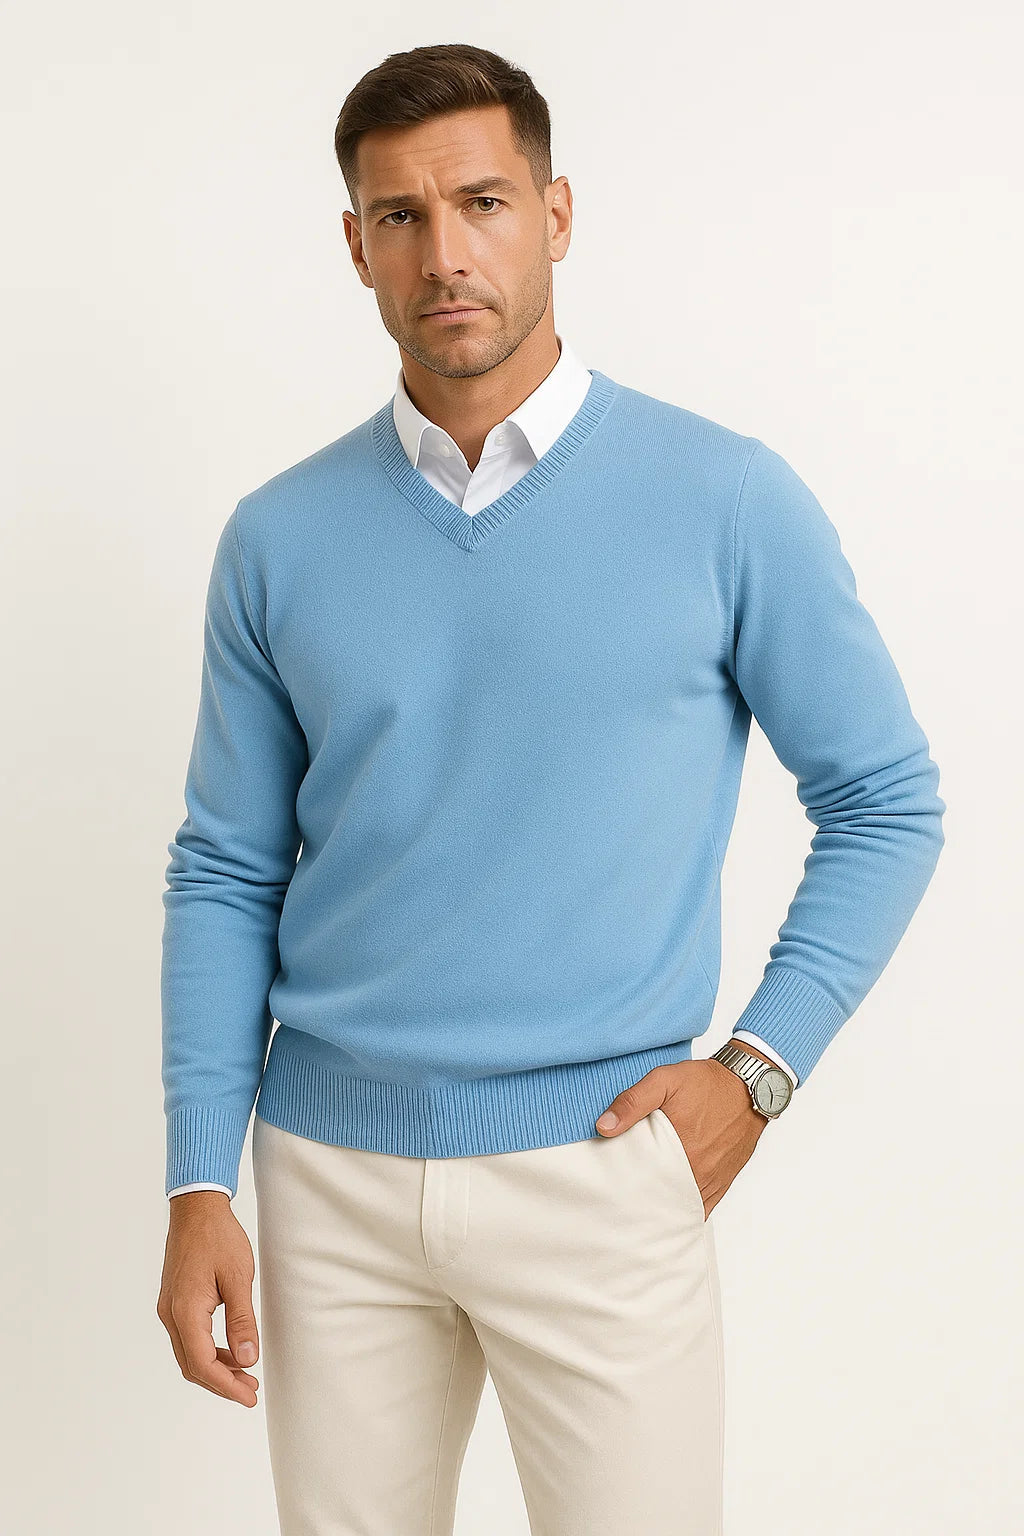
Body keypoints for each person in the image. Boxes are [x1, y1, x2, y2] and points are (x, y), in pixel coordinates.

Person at [156, 41, 946, 1535]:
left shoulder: (725, 500)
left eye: (483, 203)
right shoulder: (277, 537)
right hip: (327, 1180)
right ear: (355, 247)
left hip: (603, 1171)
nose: (444, 254)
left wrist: (757, 1074)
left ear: (557, 214)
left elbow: (887, 799)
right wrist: (200, 1178)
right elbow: (227, 866)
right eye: (399, 216)